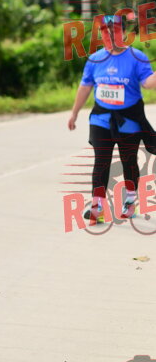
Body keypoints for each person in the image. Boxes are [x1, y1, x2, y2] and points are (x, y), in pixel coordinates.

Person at [68, 14, 156, 223]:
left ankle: (130, 201)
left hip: (129, 119)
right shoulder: (95, 59)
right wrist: (74, 113)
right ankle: (97, 207)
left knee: (129, 160)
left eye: (114, 31)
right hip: (101, 118)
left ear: (124, 33)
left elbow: (148, 84)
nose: (109, 36)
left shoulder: (137, 57)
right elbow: (85, 87)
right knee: (101, 160)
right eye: (104, 32)